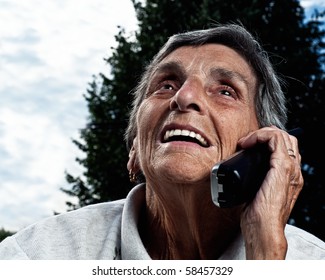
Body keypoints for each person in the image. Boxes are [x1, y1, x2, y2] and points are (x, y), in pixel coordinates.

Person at [1, 23, 325, 260]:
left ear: (265, 147)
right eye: (166, 85)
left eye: (225, 90)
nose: (184, 97)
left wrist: (266, 255)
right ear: (135, 150)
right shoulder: (33, 257)